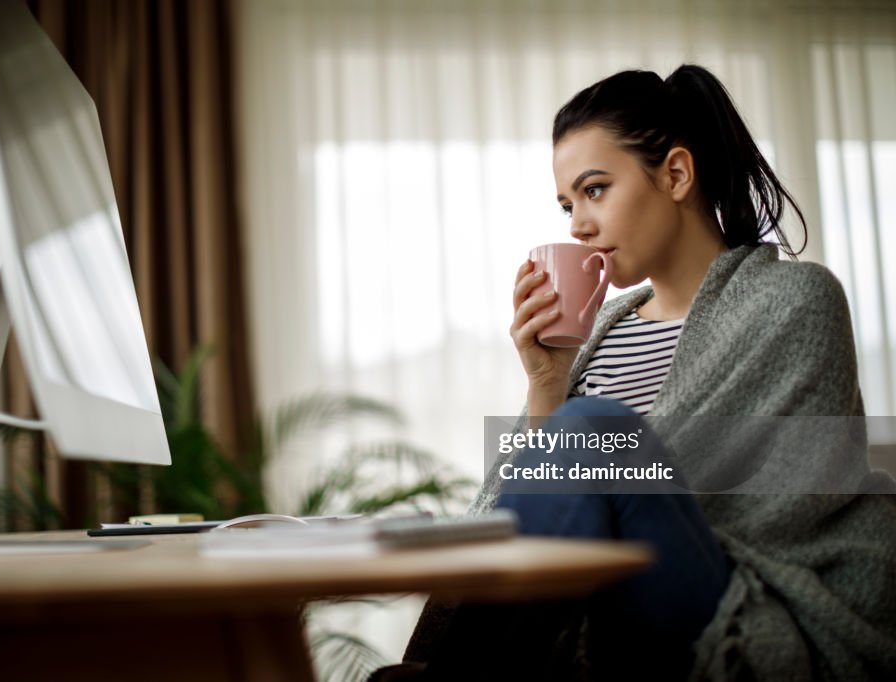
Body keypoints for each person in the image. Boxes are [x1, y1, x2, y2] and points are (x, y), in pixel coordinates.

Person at [371, 65, 896, 681]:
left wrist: (584, 433)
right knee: (584, 427)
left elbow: (760, 500)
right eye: (567, 204)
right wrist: (547, 383)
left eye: (595, 190)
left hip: (738, 596)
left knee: (592, 426)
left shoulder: (795, 299)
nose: (577, 225)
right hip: (592, 611)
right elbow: (522, 512)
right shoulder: (598, 333)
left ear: (675, 174)